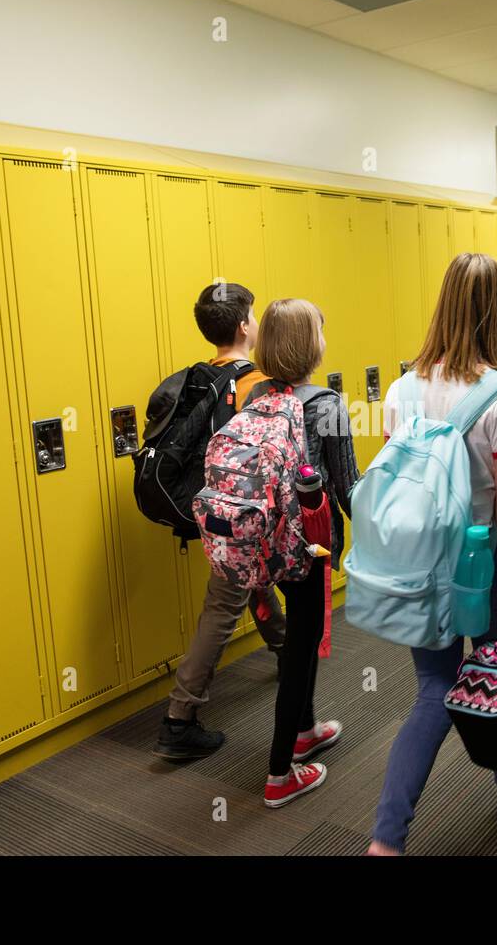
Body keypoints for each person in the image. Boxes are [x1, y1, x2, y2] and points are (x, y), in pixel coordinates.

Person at [366, 253, 497, 855]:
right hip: (483, 567)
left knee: (432, 693)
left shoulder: (400, 387)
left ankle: (387, 840)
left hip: (422, 568)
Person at [155, 282, 286, 761]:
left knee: (249, 578)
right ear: (245, 326)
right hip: (241, 511)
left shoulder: (199, 378)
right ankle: (179, 718)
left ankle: (284, 646)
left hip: (208, 506)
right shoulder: (255, 383)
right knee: (222, 604)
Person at [245, 299, 359, 807]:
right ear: (309, 344)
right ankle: (277, 773)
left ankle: (305, 729)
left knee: (303, 634)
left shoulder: (254, 397)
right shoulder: (328, 405)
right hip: (311, 545)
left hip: (267, 541)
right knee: (300, 645)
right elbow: (348, 488)